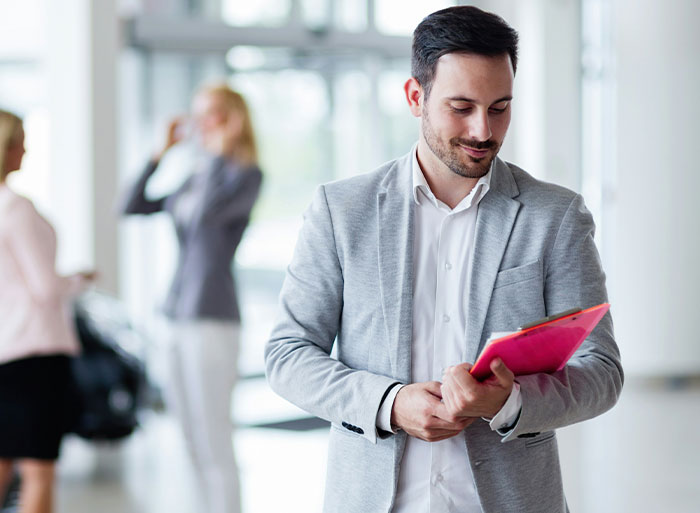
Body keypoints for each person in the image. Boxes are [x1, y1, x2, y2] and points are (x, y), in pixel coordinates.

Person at [265, 6, 623, 513]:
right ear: (416, 97)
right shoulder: (342, 211)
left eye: (500, 108)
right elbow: (288, 353)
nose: (483, 130)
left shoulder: (555, 216)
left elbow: (602, 371)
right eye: (461, 107)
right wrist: (388, 403)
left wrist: (510, 402)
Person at [120, 83, 262, 513]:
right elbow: (130, 205)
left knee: (214, 433)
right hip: (177, 314)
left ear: (233, 118)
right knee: (187, 434)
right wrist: (157, 153)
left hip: (213, 317)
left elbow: (205, 218)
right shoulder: (195, 175)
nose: (201, 123)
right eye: (198, 113)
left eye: (212, 113)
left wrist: (219, 154)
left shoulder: (243, 175)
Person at [0, 109, 95, 513]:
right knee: (39, 471)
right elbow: (45, 287)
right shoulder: (15, 208)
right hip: (33, 353)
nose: (28, 148)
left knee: (3, 463)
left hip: (4, 350)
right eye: (21, 140)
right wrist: (80, 280)